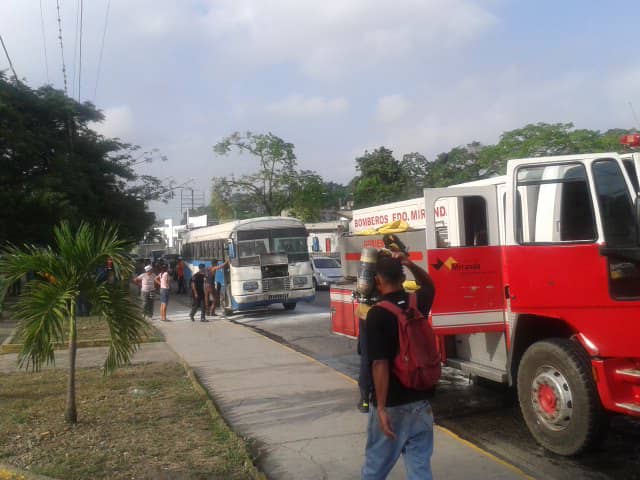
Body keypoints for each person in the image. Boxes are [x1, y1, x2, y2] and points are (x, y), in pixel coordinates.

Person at [361, 252, 436, 480]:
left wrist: (381, 408)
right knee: (419, 468)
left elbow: (380, 365)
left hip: (393, 404)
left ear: (378, 281)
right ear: (403, 278)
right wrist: (410, 263)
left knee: (375, 469)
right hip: (421, 401)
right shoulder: (417, 302)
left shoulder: (377, 314)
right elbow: (429, 285)